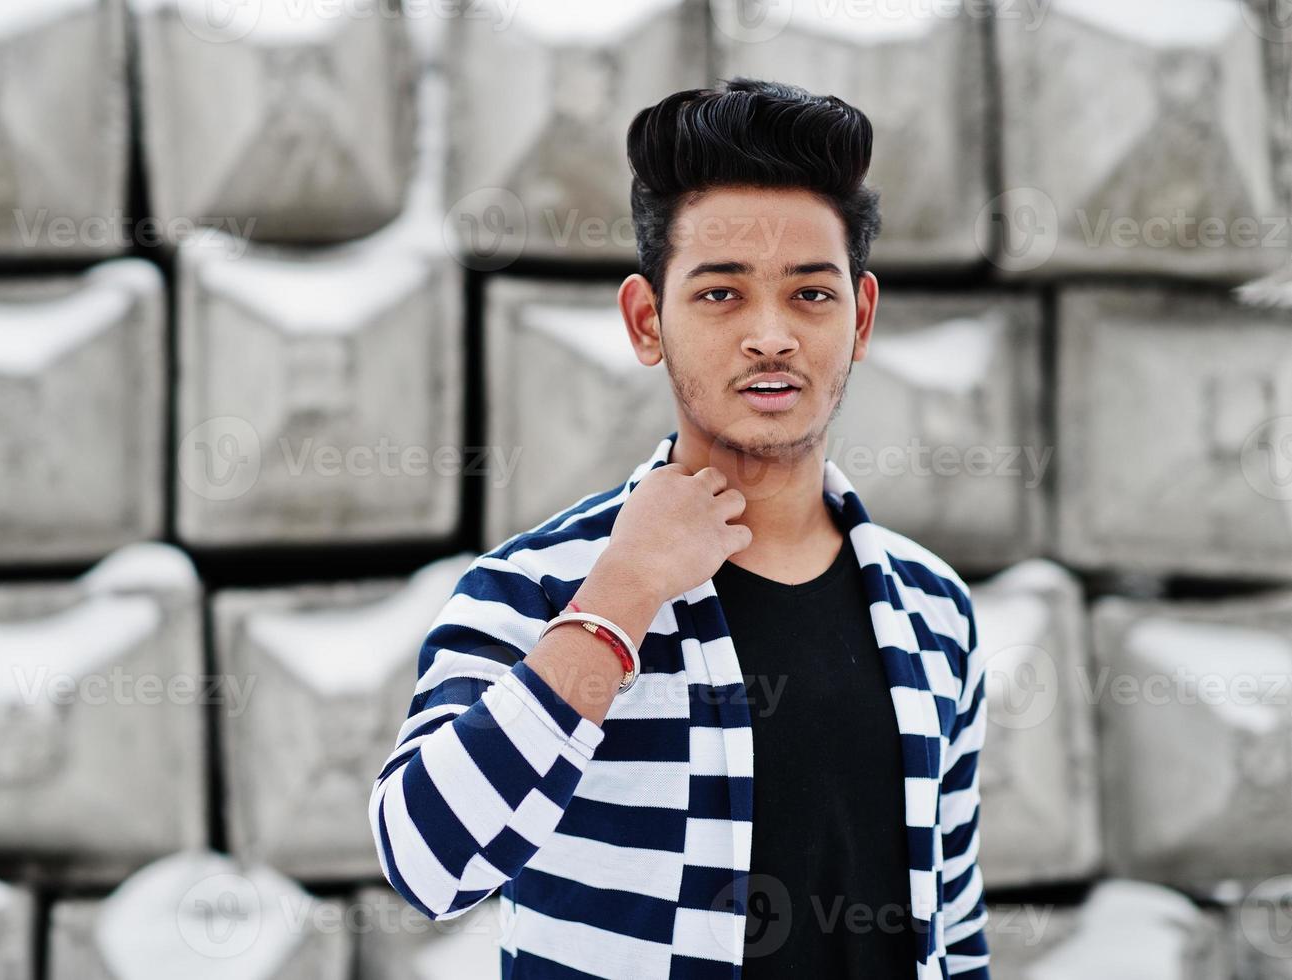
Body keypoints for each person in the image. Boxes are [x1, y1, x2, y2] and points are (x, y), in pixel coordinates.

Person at [369, 76, 990, 980]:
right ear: (645, 319)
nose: (770, 336)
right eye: (720, 295)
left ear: (859, 318)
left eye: (809, 295)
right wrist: (621, 596)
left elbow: (955, 928)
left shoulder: (934, 610)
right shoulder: (532, 589)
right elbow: (426, 865)